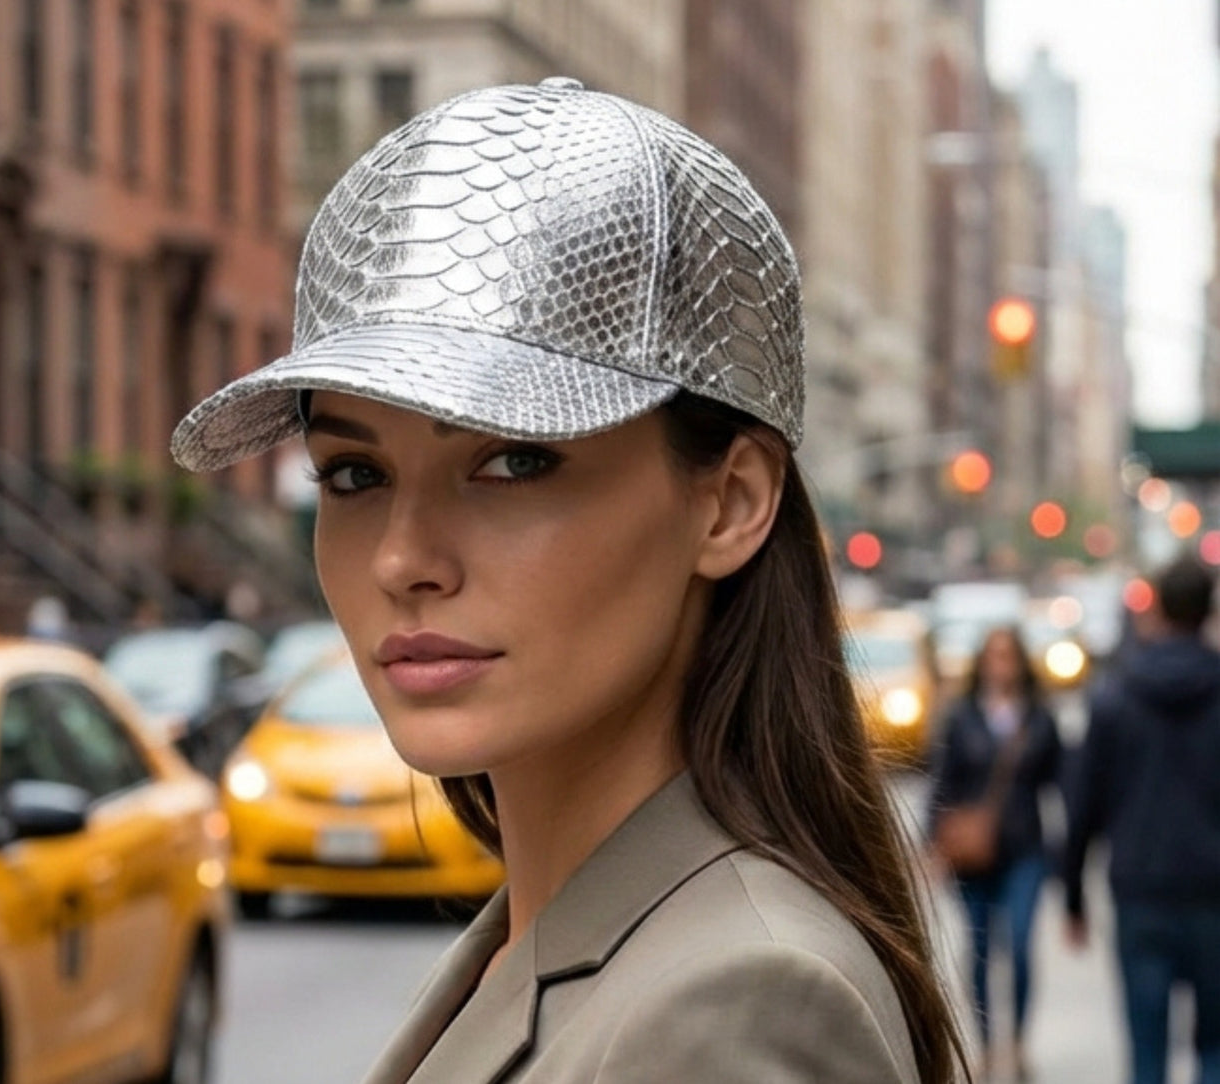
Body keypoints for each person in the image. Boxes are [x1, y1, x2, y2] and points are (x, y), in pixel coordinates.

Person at [172, 78, 964, 1083]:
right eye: (354, 475)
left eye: (512, 462)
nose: (402, 560)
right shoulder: (558, 936)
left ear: (728, 504)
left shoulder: (737, 1003)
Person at [1064, 556, 1220, 1084]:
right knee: (1216, 1045)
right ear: (1207, 610)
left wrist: (1072, 893)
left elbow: (1084, 800)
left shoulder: (1116, 696)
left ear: (1159, 610)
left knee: (1146, 1046)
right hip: (1213, 890)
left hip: (1140, 888)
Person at [929, 626, 1063, 1081]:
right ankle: (986, 1045)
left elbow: (1063, 781)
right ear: (981, 662)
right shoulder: (962, 715)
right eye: (993, 655)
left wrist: (1070, 852)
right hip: (973, 854)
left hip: (1026, 849)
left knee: (1020, 945)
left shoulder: (1039, 717)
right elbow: (942, 782)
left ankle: (1019, 1041)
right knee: (982, 949)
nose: (1001, 664)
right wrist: (932, 845)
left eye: (1009, 655)